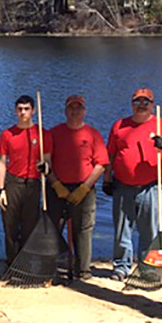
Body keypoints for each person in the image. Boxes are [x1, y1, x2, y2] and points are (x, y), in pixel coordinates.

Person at [103, 88, 162, 281]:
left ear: (152, 105)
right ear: (132, 104)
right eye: (137, 102)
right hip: (122, 185)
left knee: (149, 231)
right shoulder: (120, 126)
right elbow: (110, 155)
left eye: (146, 102)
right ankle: (121, 267)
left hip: (151, 187)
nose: (141, 106)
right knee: (122, 231)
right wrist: (106, 179)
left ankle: (147, 268)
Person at [46, 95, 108, 280]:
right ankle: (54, 265)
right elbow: (46, 160)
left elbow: (101, 164)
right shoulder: (54, 133)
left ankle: (83, 270)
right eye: (71, 108)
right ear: (66, 111)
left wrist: (85, 187)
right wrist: (55, 183)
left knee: (83, 230)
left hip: (84, 189)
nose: (75, 111)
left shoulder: (93, 134)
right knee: (53, 228)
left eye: (79, 108)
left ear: (85, 111)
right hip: (57, 188)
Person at [0, 95, 53, 265]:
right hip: (13, 182)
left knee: (29, 227)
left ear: (33, 111)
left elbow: (48, 161)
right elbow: (2, 163)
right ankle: (11, 264)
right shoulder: (8, 134)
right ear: (16, 111)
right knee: (10, 227)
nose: (23, 112)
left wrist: (46, 168)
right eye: (20, 109)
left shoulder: (43, 134)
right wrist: (1, 190)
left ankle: (25, 265)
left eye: (27, 109)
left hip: (33, 184)